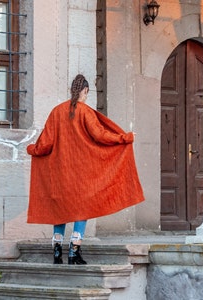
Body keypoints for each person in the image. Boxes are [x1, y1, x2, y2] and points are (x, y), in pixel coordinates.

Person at [27, 74, 144, 265]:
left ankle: (57, 252)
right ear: (86, 91)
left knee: (61, 211)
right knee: (81, 209)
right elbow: (101, 135)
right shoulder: (86, 112)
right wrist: (125, 138)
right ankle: (74, 252)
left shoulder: (56, 112)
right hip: (81, 174)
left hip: (60, 174)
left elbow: (45, 145)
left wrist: (32, 149)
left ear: (71, 90)